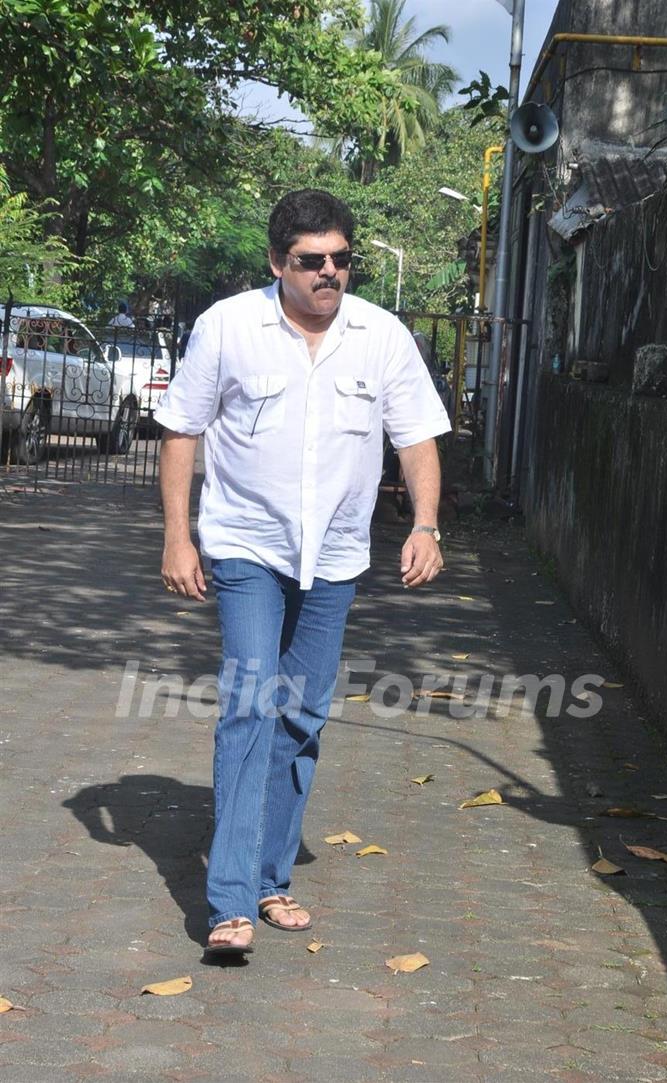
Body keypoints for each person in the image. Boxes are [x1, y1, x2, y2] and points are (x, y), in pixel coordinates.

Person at [154, 188, 450, 957]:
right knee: (252, 701)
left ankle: (270, 877)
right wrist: (176, 538)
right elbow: (182, 430)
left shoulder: (381, 337)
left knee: (302, 716)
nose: (329, 273)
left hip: (339, 555)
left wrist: (424, 524)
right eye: (311, 260)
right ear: (277, 263)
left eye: (341, 259)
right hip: (247, 545)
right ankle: (228, 902)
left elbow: (416, 437)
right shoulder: (228, 327)